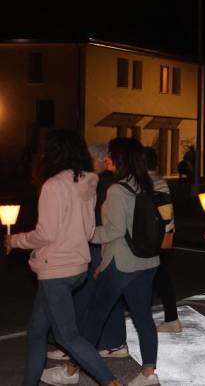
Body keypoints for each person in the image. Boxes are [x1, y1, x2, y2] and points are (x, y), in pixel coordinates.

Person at [43, 137, 162, 386]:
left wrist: (84, 232)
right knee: (143, 318)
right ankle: (149, 374)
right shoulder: (144, 185)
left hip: (122, 265)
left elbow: (113, 232)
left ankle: (71, 372)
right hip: (147, 262)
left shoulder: (117, 190)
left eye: (112, 154)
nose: (107, 157)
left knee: (94, 318)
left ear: (121, 158)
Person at [7, 130, 122, 386]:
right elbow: (90, 230)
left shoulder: (53, 185)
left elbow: (45, 234)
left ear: (55, 153)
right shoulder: (87, 183)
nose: (43, 155)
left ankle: (111, 382)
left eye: (47, 150)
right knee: (37, 332)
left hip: (55, 269)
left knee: (67, 336)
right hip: (77, 267)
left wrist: (14, 240)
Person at [47, 143, 129, 362]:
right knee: (104, 296)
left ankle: (74, 345)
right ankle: (113, 342)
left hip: (97, 244)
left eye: (89, 157)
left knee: (85, 296)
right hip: (104, 245)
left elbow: (98, 220)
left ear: (101, 159)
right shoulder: (107, 181)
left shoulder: (97, 183)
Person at [144, 147, 181, 334]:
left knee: (157, 279)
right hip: (165, 237)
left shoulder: (149, 183)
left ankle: (170, 319)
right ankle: (170, 318)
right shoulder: (160, 181)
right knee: (158, 278)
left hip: (156, 239)